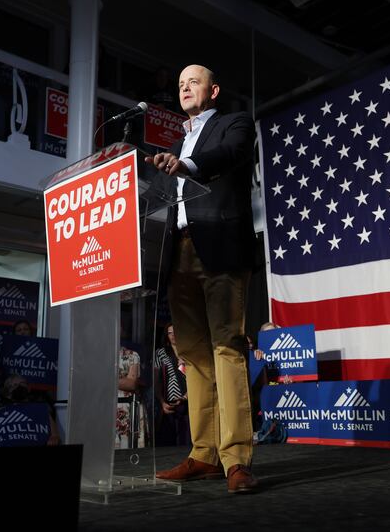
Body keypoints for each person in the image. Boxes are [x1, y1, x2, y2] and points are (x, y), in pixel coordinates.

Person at [145, 64, 258, 493]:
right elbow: (160, 200)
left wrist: (187, 163)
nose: (184, 88)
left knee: (226, 345)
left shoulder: (234, 123)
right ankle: (203, 454)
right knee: (193, 355)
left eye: (193, 81)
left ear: (213, 89)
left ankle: (236, 460)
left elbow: (227, 156)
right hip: (178, 254)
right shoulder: (172, 144)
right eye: (179, 84)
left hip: (221, 247)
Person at [153, 323, 190, 446]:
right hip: (168, 401)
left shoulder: (188, 352)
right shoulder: (160, 353)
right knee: (169, 438)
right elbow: (156, 380)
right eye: (170, 333)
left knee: (186, 438)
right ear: (166, 335)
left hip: (188, 400)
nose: (173, 335)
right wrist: (161, 401)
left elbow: (196, 377)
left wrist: (186, 396)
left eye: (175, 332)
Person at [0, 374, 60, 446]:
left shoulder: (40, 409)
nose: (19, 386)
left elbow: (54, 435)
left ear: (28, 388)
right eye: (14, 385)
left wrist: (54, 438)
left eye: (22, 383)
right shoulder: (1, 412)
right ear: (8, 394)